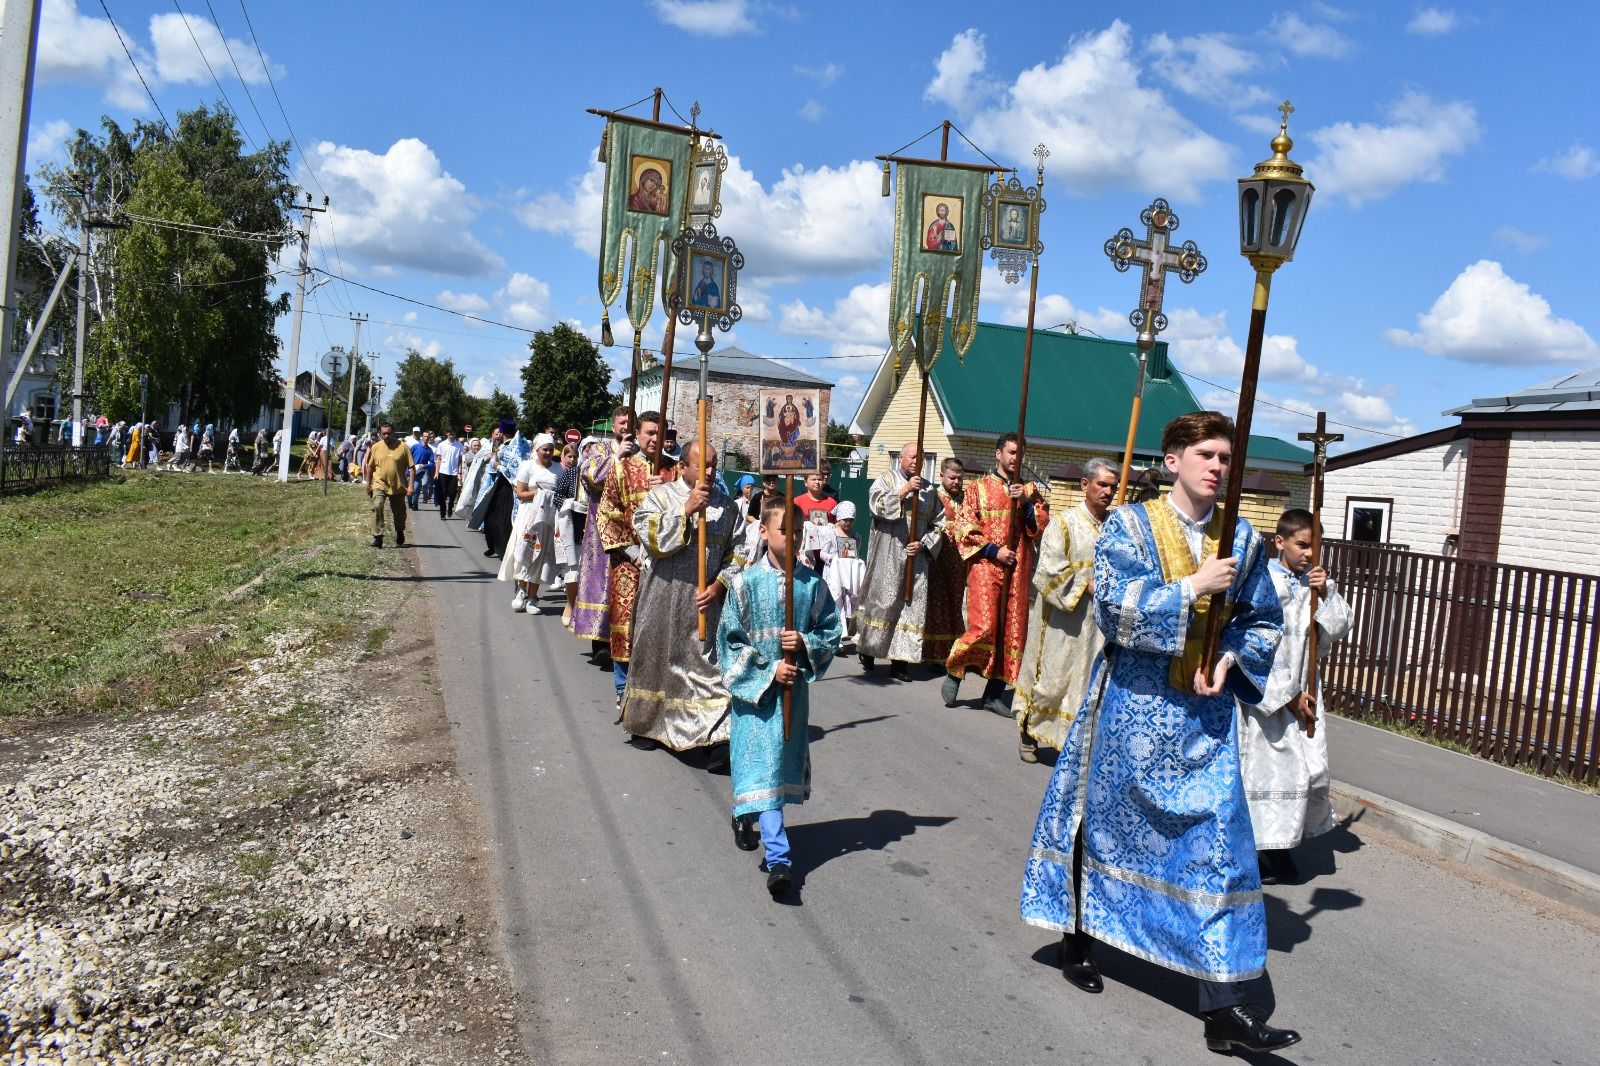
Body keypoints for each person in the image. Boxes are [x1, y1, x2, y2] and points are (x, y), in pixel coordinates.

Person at [1019, 411, 1296, 1056]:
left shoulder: (1246, 538)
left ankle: (1224, 1009)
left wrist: (1230, 661)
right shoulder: (1130, 524)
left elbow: (1262, 620)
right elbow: (1114, 611)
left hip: (1205, 721)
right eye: (1205, 453)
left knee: (1219, 851)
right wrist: (1192, 587)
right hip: (1133, 714)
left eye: (1226, 456)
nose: (1217, 466)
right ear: (1172, 460)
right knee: (1107, 829)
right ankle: (1080, 937)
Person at [719, 494, 843, 898]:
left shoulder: (811, 584)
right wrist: (770, 667)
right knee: (762, 768)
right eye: (782, 531)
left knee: (774, 770)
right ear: (763, 531)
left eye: (798, 531)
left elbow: (831, 631)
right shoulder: (744, 584)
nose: (791, 538)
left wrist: (804, 643)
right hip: (755, 699)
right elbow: (729, 644)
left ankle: (747, 813)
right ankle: (780, 859)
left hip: (793, 693)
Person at [1238, 508, 1354, 886]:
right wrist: (1285, 694)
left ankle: (1278, 846)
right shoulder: (1262, 582)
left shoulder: (1314, 585)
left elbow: (1337, 630)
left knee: (1310, 770)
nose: (1309, 554)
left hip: (1306, 690)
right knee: (1265, 770)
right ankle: (1267, 852)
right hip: (1267, 693)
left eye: (1315, 546)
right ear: (1280, 542)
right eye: (1302, 545)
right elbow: (1250, 644)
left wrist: (1328, 592)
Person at [621, 440, 745, 760]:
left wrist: (720, 584)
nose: (709, 470)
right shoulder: (661, 496)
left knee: (708, 669)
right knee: (656, 660)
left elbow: (740, 552)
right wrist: (685, 510)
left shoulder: (728, 506)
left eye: (714, 464)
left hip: (704, 602)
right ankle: (647, 724)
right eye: (702, 464)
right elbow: (649, 538)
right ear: (684, 466)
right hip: (662, 595)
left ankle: (716, 737)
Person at [1014, 457, 1117, 763]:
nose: (1108, 492)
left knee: (1086, 682)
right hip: (1062, 619)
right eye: (1102, 484)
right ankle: (1028, 735)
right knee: (1052, 678)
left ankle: (1074, 746)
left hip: (1096, 623)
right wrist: (1086, 584)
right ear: (1085, 485)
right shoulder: (1063, 523)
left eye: (1112, 486)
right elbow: (1047, 568)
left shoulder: (1116, 527)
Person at [944, 433, 1050, 714]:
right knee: (984, 626)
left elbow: (1040, 526)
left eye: (1020, 453)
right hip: (985, 566)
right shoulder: (978, 488)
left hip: (1018, 569)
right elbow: (963, 527)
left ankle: (993, 694)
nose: (1016, 458)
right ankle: (956, 669)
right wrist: (994, 551)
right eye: (1011, 452)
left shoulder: (1029, 491)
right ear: (998, 454)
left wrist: (1026, 504)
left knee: (1012, 633)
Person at [854, 443, 945, 681]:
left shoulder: (929, 490)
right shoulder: (885, 480)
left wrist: (924, 543)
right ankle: (869, 650)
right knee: (882, 602)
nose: (916, 461)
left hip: (915, 559)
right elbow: (877, 507)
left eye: (921, 458)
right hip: (888, 553)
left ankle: (900, 662)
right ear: (901, 457)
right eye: (912, 457)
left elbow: (939, 522)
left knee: (910, 607)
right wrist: (905, 490)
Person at [598, 411, 664, 707]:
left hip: (665, 566)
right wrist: (633, 553)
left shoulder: (673, 471)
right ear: (637, 434)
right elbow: (607, 515)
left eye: (659, 433)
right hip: (629, 563)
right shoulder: (622, 469)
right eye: (649, 432)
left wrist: (667, 493)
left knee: (659, 629)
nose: (654, 439)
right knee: (626, 625)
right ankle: (623, 689)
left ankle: (655, 689)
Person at [572, 413, 636, 651]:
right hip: (600, 529)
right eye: (622, 423)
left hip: (629, 529)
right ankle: (598, 644)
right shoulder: (598, 449)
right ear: (613, 424)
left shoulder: (638, 451)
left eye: (630, 423)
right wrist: (617, 457)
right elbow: (592, 478)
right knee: (602, 581)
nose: (626, 427)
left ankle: (623, 644)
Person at [500, 434, 560, 612]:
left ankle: (533, 598)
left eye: (550, 449)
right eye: (545, 449)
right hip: (530, 516)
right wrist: (538, 494)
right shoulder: (527, 466)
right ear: (537, 449)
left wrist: (551, 497)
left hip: (548, 518)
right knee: (527, 553)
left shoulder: (558, 469)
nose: (548, 452)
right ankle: (521, 591)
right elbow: (520, 493)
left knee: (541, 557)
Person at [923, 458, 969, 664]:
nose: (957, 482)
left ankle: (953, 652)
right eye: (952, 478)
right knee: (935, 606)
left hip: (959, 562)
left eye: (960, 478)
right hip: (936, 559)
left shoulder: (967, 499)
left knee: (955, 605)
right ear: (941, 476)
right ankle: (933, 655)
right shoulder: (933, 497)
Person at [471, 420, 530, 559]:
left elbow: (514, 470)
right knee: (491, 516)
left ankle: (502, 549)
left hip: (507, 488)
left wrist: (497, 466)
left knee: (502, 519)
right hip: (499, 485)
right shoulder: (510, 446)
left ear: (502, 433)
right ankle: (493, 546)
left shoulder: (510, 448)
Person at [365, 422, 415, 549]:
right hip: (379, 483)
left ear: (393, 433)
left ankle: (399, 531)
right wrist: (368, 483)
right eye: (383, 434)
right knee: (377, 506)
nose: (386, 436)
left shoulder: (403, 447)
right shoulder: (376, 447)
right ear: (380, 434)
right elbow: (370, 467)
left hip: (398, 486)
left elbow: (412, 468)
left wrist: (410, 486)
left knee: (399, 513)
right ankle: (377, 537)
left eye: (389, 433)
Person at [821, 500, 865, 639]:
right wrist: (832, 558)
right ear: (839, 519)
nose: (848, 523)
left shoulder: (856, 536)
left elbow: (855, 553)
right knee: (835, 600)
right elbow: (822, 553)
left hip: (849, 575)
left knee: (849, 602)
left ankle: (848, 631)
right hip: (833, 574)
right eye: (845, 520)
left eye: (851, 520)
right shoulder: (831, 533)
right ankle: (835, 634)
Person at [554, 441, 584, 628]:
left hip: (595, 528)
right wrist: (569, 503)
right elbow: (557, 496)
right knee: (573, 570)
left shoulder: (603, 474)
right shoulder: (573, 473)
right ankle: (570, 604)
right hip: (574, 526)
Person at [434, 430, 464, 518]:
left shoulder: (459, 445)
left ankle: (450, 506)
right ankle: (442, 512)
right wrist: (436, 472)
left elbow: (460, 460)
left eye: (453, 434)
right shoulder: (442, 444)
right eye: (450, 434)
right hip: (443, 472)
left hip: (454, 473)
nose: (451, 436)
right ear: (447, 434)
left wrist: (459, 472)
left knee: (452, 493)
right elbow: (438, 459)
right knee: (443, 494)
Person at [408, 431, 436, 510]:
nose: (426, 438)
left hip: (420, 472)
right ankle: (410, 502)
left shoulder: (429, 450)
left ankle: (415, 504)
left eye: (428, 437)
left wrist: (425, 465)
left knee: (417, 487)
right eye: (425, 436)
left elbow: (432, 463)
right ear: (422, 437)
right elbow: (408, 456)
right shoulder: (415, 446)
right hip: (410, 471)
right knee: (409, 489)